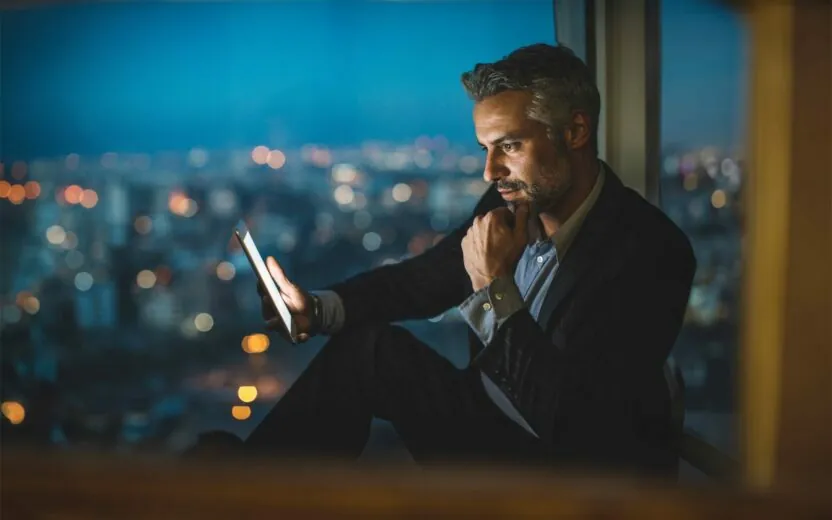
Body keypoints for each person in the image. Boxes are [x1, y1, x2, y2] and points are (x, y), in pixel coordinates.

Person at [190, 43, 696, 477]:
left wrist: (496, 288)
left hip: (553, 468)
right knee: (367, 349)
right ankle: (251, 488)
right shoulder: (509, 204)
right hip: (485, 412)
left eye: (510, 146)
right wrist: (318, 309)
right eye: (484, 148)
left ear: (576, 131)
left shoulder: (651, 253)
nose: (489, 170)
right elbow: (426, 279)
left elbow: (573, 420)